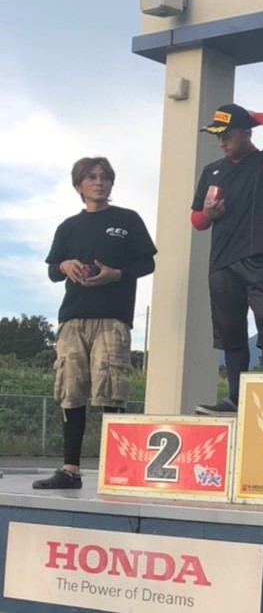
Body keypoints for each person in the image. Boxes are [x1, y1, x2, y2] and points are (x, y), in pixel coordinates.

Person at [35, 157, 156, 489]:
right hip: (73, 317)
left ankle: (119, 470)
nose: (99, 182)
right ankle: (70, 470)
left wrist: (117, 274)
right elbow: (52, 270)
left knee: (111, 390)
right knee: (70, 389)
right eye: (91, 177)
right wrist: (65, 265)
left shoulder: (127, 219)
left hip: (112, 317)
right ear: (79, 185)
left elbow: (148, 262)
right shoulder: (68, 226)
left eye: (105, 177)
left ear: (111, 183)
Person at [191, 104, 263, 415]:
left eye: (228, 134)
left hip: (260, 255)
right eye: (217, 135)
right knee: (230, 332)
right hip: (222, 261)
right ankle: (235, 398)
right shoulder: (212, 171)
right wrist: (208, 213)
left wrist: (251, 115)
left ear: (247, 132)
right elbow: (197, 221)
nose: (222, 141)